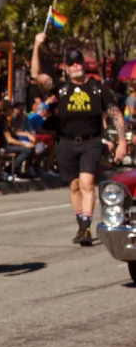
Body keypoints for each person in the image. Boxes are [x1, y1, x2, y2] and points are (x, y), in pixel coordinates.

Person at [31, 36, 127, 244]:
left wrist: (122, 141)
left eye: (78, 62)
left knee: (87, 183)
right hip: (65, 142)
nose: (75, 66)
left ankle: (85, 228)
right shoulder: (61, 89)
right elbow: (36, 75)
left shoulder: (98, 89)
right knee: (74, 185)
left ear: (83, 65)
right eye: (71, 63)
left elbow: (116, 115)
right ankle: (80, 222)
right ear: (66, 68)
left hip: (91, 142)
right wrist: (37, 45)